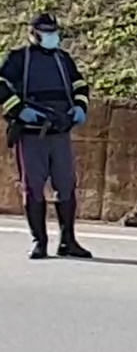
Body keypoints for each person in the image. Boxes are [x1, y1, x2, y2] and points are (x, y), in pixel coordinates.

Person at [0, 14, 93, 260]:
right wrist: (19, 110)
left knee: (66, 185)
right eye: (46, 32)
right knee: (33, 187)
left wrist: (80, 107)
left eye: (54, 32)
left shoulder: (63, 59)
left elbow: (80, 85)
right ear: (34, 34)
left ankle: (68, 241)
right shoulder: (19, 59)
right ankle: (39, 241)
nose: (52, 36)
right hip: (32, 134)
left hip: (60, 133)